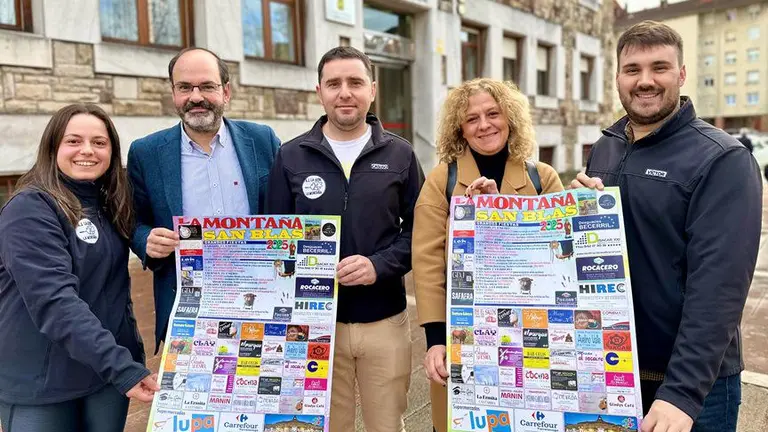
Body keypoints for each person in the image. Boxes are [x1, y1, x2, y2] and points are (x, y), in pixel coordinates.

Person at [571, 21, 761, 432]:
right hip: (610, 369)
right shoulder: (605, 147)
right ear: (618, 77)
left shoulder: (722, 159)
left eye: (659, 67)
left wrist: (683, 392)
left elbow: (720, 289)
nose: (645, 81)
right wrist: (579, 211)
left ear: (682, 74)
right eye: (632, 69)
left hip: (691, 387)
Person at [266, 46, 424, 432]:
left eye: (355, 82)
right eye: (334, 83)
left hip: (384, 318)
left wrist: (379, 265)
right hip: (316, 323)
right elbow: (273, 239)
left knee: (386, 423)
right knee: (325, 425)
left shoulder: (401, 155)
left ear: (372, 89)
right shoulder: (290, 156)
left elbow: (420, 232)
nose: (345, 92)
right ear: (319, 91)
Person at [411, 78, 564, 432]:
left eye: (493, 113)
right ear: (460, 130)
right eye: (472, 119)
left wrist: (499, 211)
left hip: (533, 339)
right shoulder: (441, 181)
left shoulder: (543, 178)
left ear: (510, 118)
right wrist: (436, 343)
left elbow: (560, 252)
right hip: (462, 337)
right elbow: (427, 264)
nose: (484, 125)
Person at [0, 104, 159, 432]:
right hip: (43, 384)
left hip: (102, 378)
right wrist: (122, 368)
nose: (87, 150)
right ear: (53, 146)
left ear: (112, 152)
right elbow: (55, 302)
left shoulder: (109, 201)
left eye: (99, 143)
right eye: (74, 141)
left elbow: (113, 286)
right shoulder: (30, 208)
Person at [127, 47, 281, 349]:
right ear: (173, 93)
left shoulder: (263, 140)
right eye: (185, 87)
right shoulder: (146, 153)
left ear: (225, 92)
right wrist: (146, 240)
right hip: (188, 306)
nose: (195, 97)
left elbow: (287, 210)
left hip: (260, 299)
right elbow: (132, 219)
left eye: (207, 86)